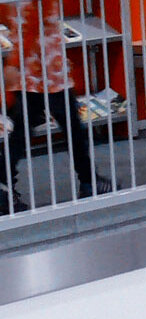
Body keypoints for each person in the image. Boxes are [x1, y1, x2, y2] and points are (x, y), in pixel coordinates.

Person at [2, 0, 99, 214]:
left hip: (37, 66)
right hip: (45, 67)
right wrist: (15, 63)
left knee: (24, 129)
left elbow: (16, 18)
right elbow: (35, 20)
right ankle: (89, 181)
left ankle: (3, 185)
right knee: (70, 126)